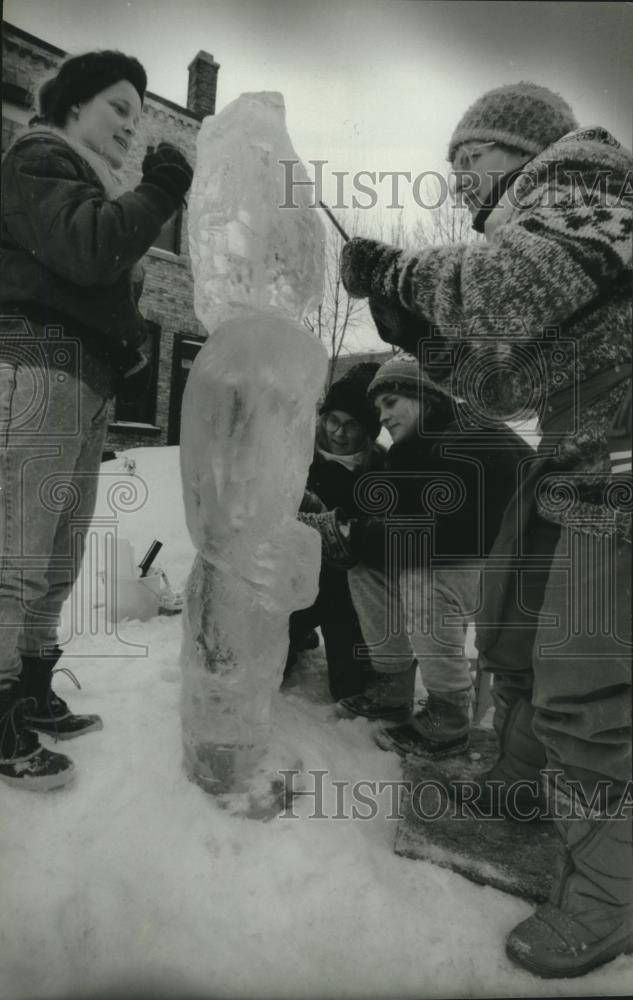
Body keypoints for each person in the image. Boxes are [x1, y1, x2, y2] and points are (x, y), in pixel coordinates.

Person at [337, 83, 631, 977]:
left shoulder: (585, 180)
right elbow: (504, 377)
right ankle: (518, 781)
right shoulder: (535, 226)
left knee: (585, 678)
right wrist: (419, 335)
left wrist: (395, 273)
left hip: (621, 462)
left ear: (524, 148)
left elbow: (505, 289)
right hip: (576, 454)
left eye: (473, 160)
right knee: (512, 627)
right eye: (451, 168)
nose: (461, 184)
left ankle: (611, 892)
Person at [0, 50, 193, 790]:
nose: (130, 126)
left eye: (137, 115)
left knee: (55, 560)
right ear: (74, 106)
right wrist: (163, 186)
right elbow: (88, 249)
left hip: (79, 379)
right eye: (119, 108)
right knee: (14, 560)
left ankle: (30, 691)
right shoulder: (38, 156)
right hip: (35, 367)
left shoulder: (87, 177)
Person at [326, 353, 532, 759]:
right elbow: (391, 521)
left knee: (421, 577)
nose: (382, 417)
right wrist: (348, 533)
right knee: (365, 567)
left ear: (424, 397)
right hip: (461, 559)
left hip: (517, 564)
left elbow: (454, 533)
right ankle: (393, 686)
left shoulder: (477, 437)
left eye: (390, 403)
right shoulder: (407, 451)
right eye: (378, 408)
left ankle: (450, 715)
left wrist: (367, 534)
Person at [288, 362, 386, 700]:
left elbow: (384, 535)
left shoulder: (381, 469)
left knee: (349, 690)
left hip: (348, 592)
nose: (339, 434)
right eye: (333, 421)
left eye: (352, 425)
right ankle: (297, 633)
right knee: (272, 668)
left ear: (369, 431)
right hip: (294, 582)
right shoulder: (298, 458)